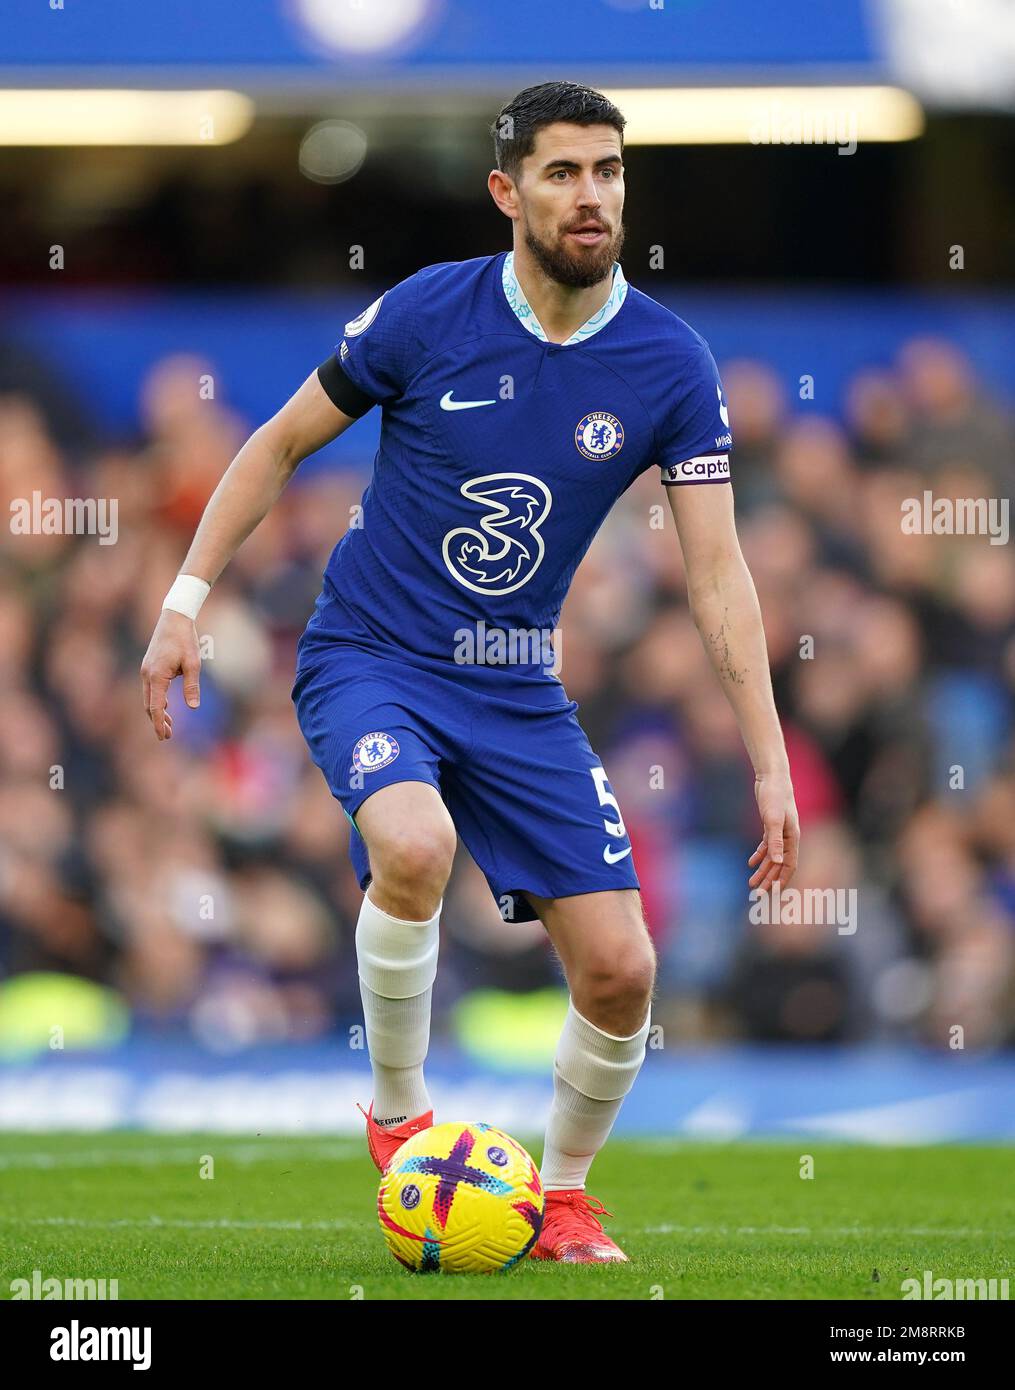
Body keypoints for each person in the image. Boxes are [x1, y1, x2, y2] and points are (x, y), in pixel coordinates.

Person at [140, 80, 799, 1263]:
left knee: (620, 970)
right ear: (508, 191)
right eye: (562, 173)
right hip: (372, 657)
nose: (590, 195)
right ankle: (398, 1121)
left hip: (515, 685)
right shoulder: (426, 315)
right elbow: (279, 441)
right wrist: (184, 602)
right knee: (413, 845)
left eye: (606, 171)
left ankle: (561, 1201)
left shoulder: (668, 363)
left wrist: (770, 762)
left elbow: (718, 577)